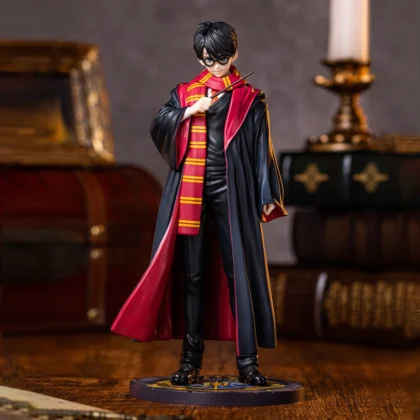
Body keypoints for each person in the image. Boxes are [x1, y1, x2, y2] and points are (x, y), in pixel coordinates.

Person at [111, 21, 287, 387]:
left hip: (232, 190)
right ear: (200, 58)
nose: (215, 66)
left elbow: (261, 150)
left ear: (234, 55)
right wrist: (190, 111)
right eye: (208, 59)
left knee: (238, 272)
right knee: (191, 276)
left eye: (222, 58)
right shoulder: (184, 93)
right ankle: (190, 360)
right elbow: (160, 124)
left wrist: (267, 194)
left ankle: (247, 362)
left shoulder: (250, 99)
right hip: (190, 193)